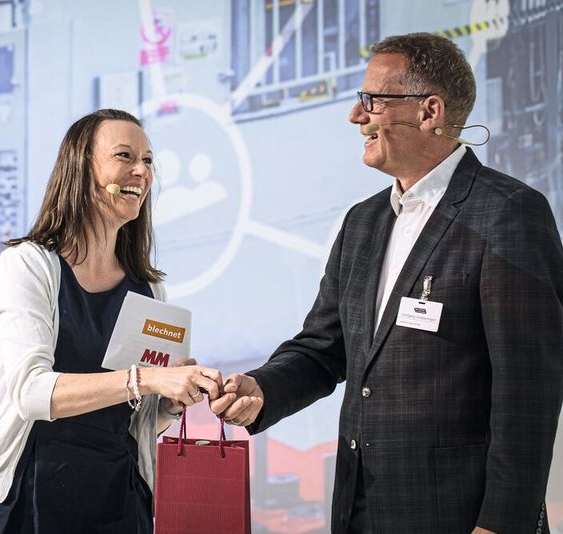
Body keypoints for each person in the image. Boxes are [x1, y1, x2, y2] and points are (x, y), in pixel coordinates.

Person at [211, 33, 562, 534]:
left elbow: (529, 390)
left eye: (372, 101)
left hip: (460, 518)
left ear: (429, 111)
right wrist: (262, 389)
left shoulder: (508, 213)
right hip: (360, 512)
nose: (357, 117)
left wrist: (502, 524)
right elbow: (322, 349)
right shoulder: (362, 223)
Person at [0, 108, 223, 533]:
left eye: (148, 161)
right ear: (79, 169)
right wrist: (146, 379)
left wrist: (166, 403)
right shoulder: (28, 266)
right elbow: (29, 392)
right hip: (17, 499)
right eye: (124, 156)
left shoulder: (149, 290)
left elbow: (134, 418)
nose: (141, 171)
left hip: (113, 499)